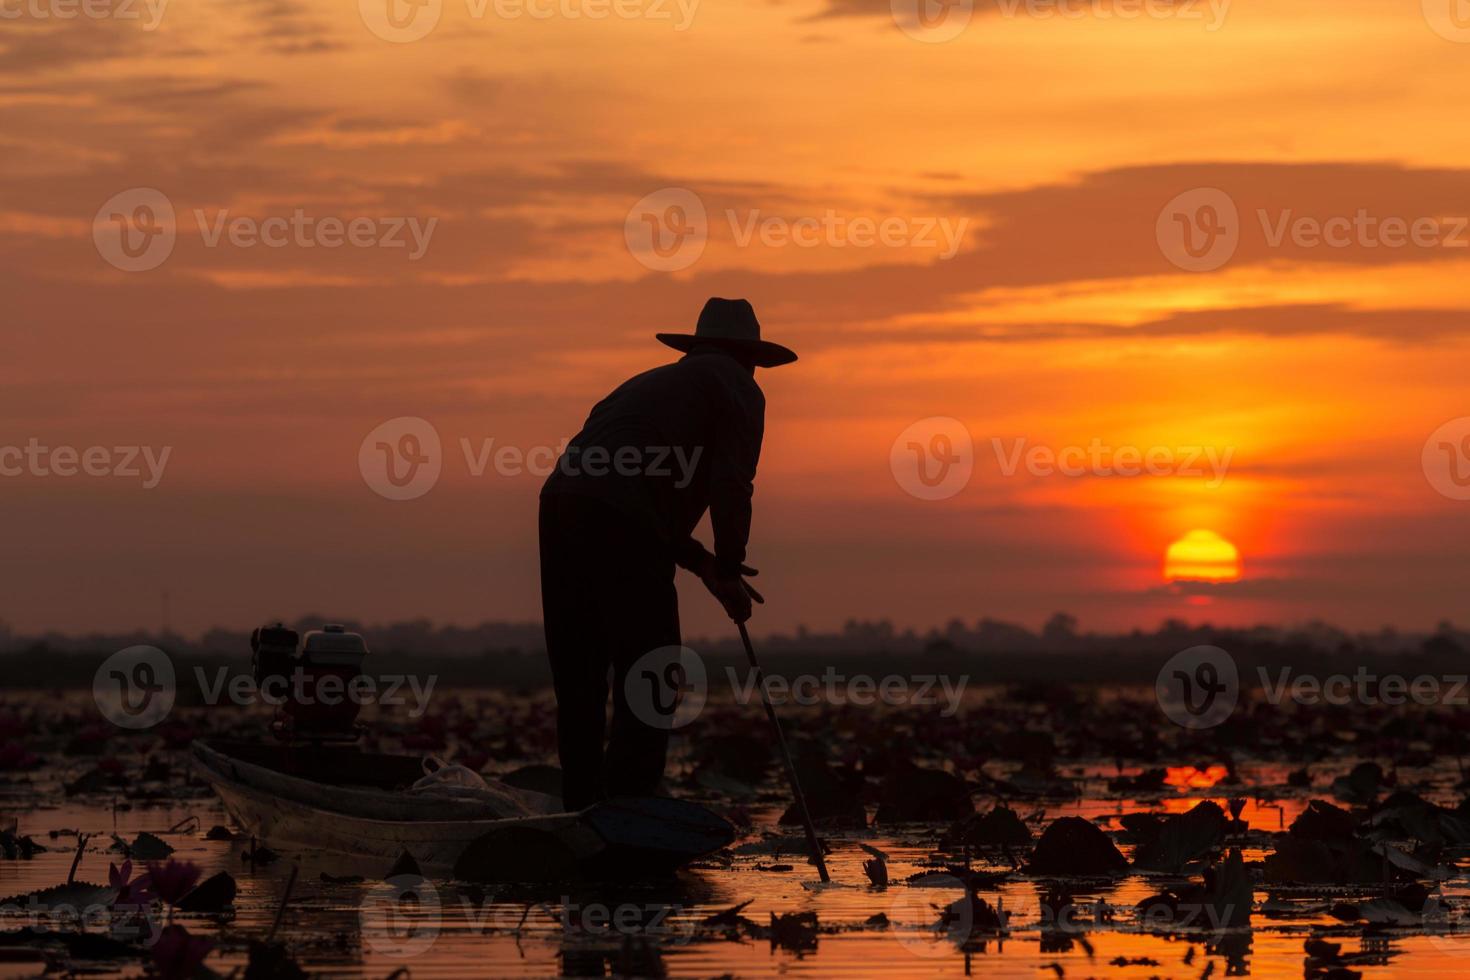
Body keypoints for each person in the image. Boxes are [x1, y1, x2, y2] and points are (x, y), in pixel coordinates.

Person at [539, 297, 797, 811]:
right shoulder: (738, 388)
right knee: (652, 671)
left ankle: (580, 809)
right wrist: (728, 561)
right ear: (751, 358)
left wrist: (708, 566)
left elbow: (636, 506)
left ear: (697, 347)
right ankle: (628, 807)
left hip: (559, 504)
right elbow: (731, 483)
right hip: (619, 518)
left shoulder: (646, 387)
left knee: (581, 675)